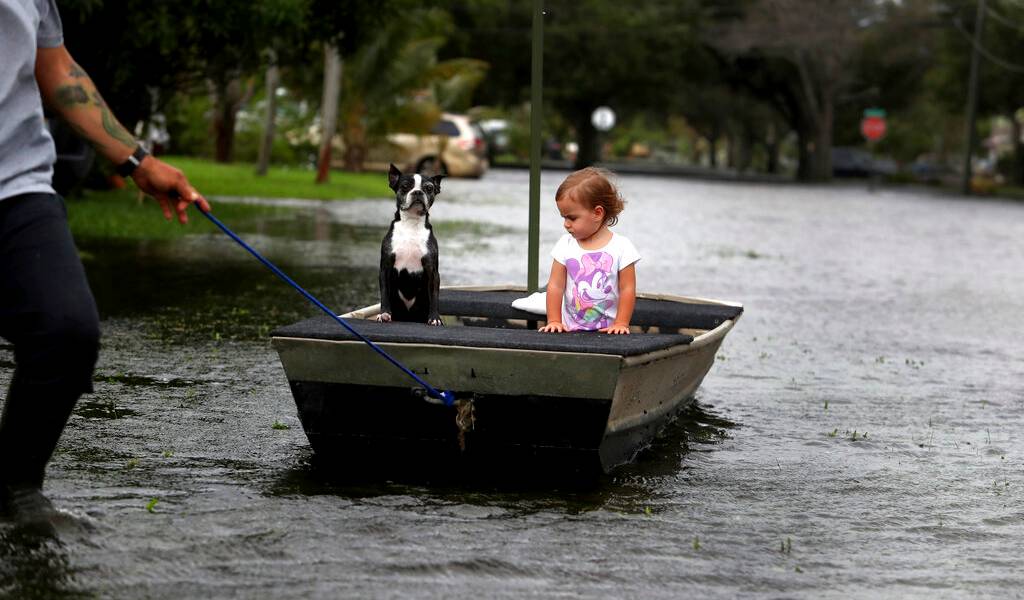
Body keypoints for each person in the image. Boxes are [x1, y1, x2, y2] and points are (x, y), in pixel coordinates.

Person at [0, 0, 209, 531]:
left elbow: (55, 66)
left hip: (16, 187)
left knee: (66, 332)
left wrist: (136, 159)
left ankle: (16, 489)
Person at [539, 167, 639, 334]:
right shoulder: (565, 245)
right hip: (570, 331)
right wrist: (554, 321)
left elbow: (627, 289)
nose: (566, 224)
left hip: (609, 331)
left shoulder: (622, 247)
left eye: (572, 217)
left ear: (597, 213)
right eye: (563, 217)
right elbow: (555, 286)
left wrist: (621, 324)